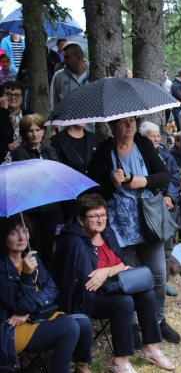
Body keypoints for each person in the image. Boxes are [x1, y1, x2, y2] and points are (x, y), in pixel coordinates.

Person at [53, 194, 175, 372]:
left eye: (103, 215)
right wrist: (110, 271)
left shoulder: (107, 233)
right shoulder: (74, 242)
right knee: (124, 303)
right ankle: (120, 361)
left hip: (112, 287)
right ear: (80, 219)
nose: (100, 220)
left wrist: (107, 271)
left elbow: (123, 263)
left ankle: (150, 349)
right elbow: (82, 282)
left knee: (147, 295)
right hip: (86, 297)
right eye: (94, 216)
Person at [87, 116, 180, 344]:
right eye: (123, 122)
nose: (129, 126)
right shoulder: (103, 152)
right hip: (119, 222)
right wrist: (112, 183)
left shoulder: (144, 144)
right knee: (127, 276)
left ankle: (158, 321)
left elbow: (164, 175)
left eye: (132, 121)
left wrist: (142, 181)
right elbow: (94, 194)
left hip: (148, 218)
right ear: (111, 126)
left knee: (158, 273)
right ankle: (132, 325)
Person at [0, 213, 93, 373]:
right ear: (3, 237)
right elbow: (21, 306)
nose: (22, 238)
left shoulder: (29, 256)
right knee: (69, 327)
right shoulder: (2, 268)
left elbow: (51, 288)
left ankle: (82, 369)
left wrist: (32, 309)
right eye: (14, 233)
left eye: (25, 231)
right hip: (12, 331)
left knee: (84, 323)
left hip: (35, 317)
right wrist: (27, 275)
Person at [12, 114, 61, 270]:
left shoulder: (50, 150)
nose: (35, 134)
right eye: (30, 130)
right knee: (34, 250)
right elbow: (28, 179)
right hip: (32, 210)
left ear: (43, 131)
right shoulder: (20, 152)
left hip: (51, 208)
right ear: (25, 133)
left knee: (48, 251)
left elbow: (57, 174)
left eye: (38, 130)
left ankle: (49, 286)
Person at [139, 122, 181, 297]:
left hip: (167, 204)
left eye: (158, 135)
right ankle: (147, 282)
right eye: (152, 135)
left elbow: (174, 178)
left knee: (166, 247)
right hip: (149, 205)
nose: (156, 138)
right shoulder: (139, 156)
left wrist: (170, 197)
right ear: (143, 138)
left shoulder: (166, 155)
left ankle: (163, 283)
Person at [50, 123, 100, 221]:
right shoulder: (58, 140)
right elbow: (56, 171)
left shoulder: (93, 138)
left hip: (93, 196)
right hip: (71, 198)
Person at [50, 43, 93, 133]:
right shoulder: (59, 76)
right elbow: (54, 103)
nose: (64, 60)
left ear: (78, 58)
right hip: (66, 132)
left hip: (91, 130)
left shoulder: (93, 74)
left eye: (67, 58)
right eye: (64, 57)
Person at [0, 80, 30, 164]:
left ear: (22, 97)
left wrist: (22, 147)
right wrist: (3, 111)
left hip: (25, 159)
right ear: (3, 96)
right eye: (9, 94)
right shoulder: (2, 115)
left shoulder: (28, 115)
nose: (12, 98)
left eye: (16, 95)